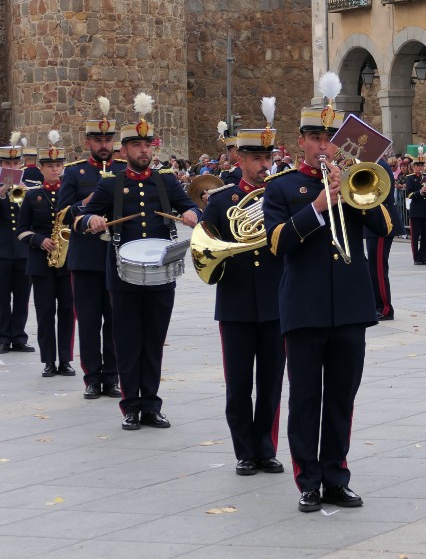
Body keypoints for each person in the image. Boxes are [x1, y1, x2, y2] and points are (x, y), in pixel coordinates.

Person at [262, 87, 393, 512]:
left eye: (330, 139)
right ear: (301, 141)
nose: (323, 146)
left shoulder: (355, 178)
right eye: (316, 139)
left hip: (351, 308)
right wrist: (318, 206)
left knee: (341, 396)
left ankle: (337, 475)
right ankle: (308, 480)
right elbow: (279, 244)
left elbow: (385, 227)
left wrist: (354, 189)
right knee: (304, 399)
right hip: (304, 308)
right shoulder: (282, 188)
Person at [77, 94, 201, 431]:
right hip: (123, 276)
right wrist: (91, 222)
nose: (143, 151)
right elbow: (80, 216)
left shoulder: (167, 181)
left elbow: (194, 207)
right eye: (136, 145)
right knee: (128, 341)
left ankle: (152, 405)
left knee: (154, 341)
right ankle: (131, 405)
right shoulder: (111, 185)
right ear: (124, 151)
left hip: (162, 273)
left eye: (148, 144)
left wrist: (191, 213)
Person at [200, 104, 286, 477]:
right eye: (256, 157)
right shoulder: (222, 200)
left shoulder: (282, 195)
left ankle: (266, 447)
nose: (263, 163)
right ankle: (244, 451)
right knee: (238, 385)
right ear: (239, 158)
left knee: (270, 384)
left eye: (267, 156)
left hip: (276, 301)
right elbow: (205, 246)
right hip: (235, 302)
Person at [58, 97, 125, 396]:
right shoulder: (74, 173)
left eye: (108, 139)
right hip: (85, 259)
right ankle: (92, 378)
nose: (103, 144)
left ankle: (111, 376)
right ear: (88, 142)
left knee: (114, 321)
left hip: (117, 256)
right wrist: (86, 204)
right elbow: (62, 214)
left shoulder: (124, 170)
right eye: (98, 139)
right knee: (87, 321)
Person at [17, 132, 74, 377]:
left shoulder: (71, 195)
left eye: (59, 165)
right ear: (41, 168)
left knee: (67, 313)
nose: (55, 170)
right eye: (50, 166)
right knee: (45, 313)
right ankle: (49, 361)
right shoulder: (32, 196)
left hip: (68, 261)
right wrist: (40, 241)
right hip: (41, 262)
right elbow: (20, 230)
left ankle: (66, 360)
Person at [0, 135, 34, 355]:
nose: (12, 167)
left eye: (15, 163)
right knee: (2, 297)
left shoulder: (29, 188)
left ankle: (19, 337)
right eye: (7, 164)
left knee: (22, 297)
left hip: (23, 252)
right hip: (2, 251)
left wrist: (26, 195)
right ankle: (3, 337)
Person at [364, 156, 400, 321]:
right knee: (373, 267)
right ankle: (377, 304)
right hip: (373, 222)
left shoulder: (379, 165)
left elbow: (379, 194)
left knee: (378, 268)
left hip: (381, 221)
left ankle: (385, 308)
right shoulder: (372, 164)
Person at [404, 157, 426, 265]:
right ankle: (416, 258)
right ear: (414, 167)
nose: (420, 167)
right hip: (416, 210)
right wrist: (419, 191)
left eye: (422, 165)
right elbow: (409, 194)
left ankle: (424, 257)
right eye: (418, 166)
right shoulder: (410, 178)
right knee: (415, 236)